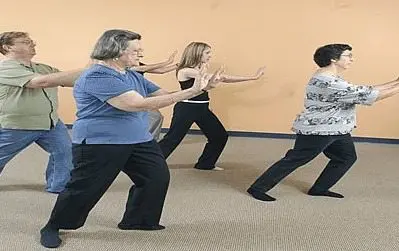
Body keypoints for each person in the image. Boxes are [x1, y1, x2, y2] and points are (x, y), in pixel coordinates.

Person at [39, 29, 223, 248]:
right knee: (85, 188)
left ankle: (138, 221)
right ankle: (53, 226)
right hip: (100, 142)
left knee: (156, 178)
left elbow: (162, 95)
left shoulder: (131, 75)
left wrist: (199, 89)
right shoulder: (97, 76)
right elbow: (137, 104)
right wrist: (192, 91)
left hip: (138, 139)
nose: (141, 53)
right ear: (116, 51)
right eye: (135, 50)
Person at [247, 43, 399, 202]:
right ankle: (257, 188)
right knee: (296, 159)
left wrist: (395, 82)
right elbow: (369, 96)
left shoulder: (329, 77)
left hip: (337, 128)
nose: (352, 59)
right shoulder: (328, 82)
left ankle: (319, 189)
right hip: (319, 129)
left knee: (346, 157)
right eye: (348, 56)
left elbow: (364, 90)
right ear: (334, 59)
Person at [158, 42, 265, 171]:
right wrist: (252, 77)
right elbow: (217, 78)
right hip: (187, 109)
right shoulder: (185, 71)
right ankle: (149, 165)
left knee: (219, 136)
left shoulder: (197, 70)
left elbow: (218, 78)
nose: (210, 56)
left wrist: (251, 78)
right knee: (172, 139)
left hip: (202, 108)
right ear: (197, 53)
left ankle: (205, 164)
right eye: (207, 53)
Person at [0, 31, 84, 193]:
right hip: (17, 125)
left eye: (31, 40)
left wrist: (98, 68)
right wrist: (89, 69)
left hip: (50, 122)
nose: (32, 43)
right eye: (25, 41)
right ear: (7, 47)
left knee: (64, 152)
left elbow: (70, 79)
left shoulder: (43, 68)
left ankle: (58, 186)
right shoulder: (5, 68)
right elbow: (41, 82)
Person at [132, 51, 179, 141]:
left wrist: (178, 65)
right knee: (154, 117)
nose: (140, 55)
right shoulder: (124, 66)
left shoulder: (139, 65)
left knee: (157, 117)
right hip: (131, 96)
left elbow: (162, 71)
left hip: (142, 93)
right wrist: (167, 62)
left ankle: (150, 140)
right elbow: (141, 69)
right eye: (136, 53)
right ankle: (145, 140)